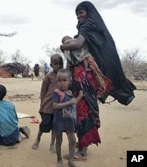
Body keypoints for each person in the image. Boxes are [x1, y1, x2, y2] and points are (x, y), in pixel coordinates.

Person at [59, 1, 136, 159]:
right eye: (77, 14)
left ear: (88, 12)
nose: (79, 16)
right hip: (85, 78)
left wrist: (63, 47)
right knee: (83, 110)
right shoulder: (91, 27)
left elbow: (79, 43)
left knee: (83, 110)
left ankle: (82, 150)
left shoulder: (87, 26)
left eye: (81, 13)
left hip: (84, 79)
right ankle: (82, 147)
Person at [0, 84, 30, 156]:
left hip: (8, 140)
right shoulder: (10, 103)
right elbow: (14, 118)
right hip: (15, 131)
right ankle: (19, 131)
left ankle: (18, 136)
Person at [32, 54, 63, 153]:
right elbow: (43, 92)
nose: (58, 65)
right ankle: (37, 139)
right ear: (51, 65)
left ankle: (52, 143)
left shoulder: (63, 76)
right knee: (44, 125)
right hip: (47, 106)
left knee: (55, 125)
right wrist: (42, 105)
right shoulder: (48, 77)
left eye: (60, 63)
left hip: (58, 106)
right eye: (56, 64)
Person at [52, 69, 83, 167]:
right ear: (57, 81)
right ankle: (59, 159)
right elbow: (55, 106)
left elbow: (75, 102)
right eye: (59, 81)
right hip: (59, 121)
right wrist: (69, 102)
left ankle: (71, 160)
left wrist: (79, 97)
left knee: (73, 141)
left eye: (64, 80)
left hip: (70, 120)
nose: (62, 83)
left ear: (70, 81)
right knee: (59, 140)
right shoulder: (56, 93)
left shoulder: (72, 92)